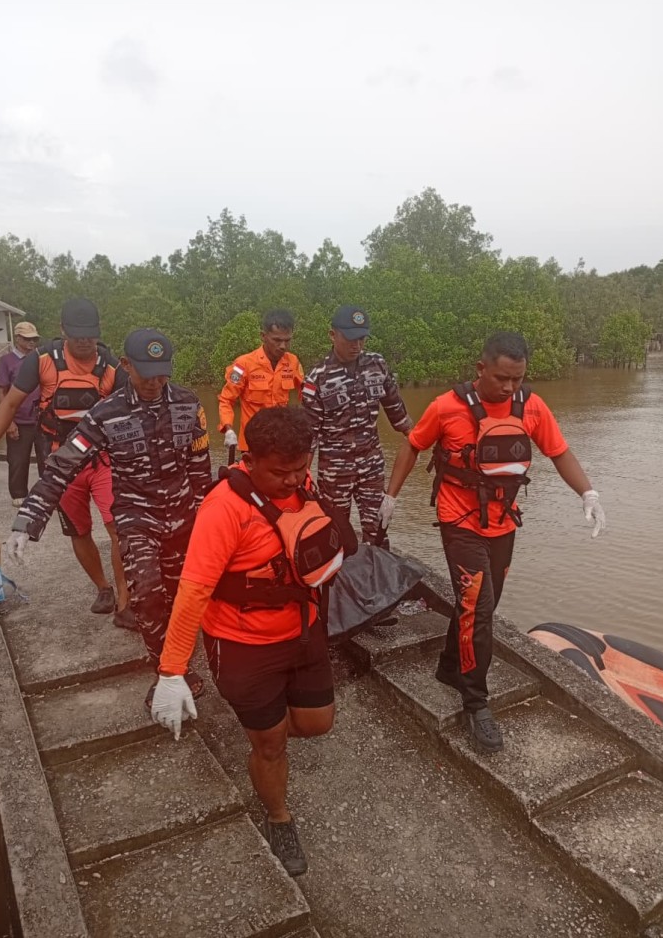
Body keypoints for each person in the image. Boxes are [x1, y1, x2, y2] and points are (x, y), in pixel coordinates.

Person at [150, 407, 354, 878]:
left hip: (303, 631)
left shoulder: (304, 485)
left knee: (318, 722)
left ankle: (268, 737)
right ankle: (279, 816)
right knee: (270, 744)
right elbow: (194, 589)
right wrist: (172, 669)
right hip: (243, 644)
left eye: (302, 467)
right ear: (249, 459)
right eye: (281, 472)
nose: (294, 480)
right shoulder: (223, 508)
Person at [380, 331, 606, 753]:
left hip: (503, 522)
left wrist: (587, 493)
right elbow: (412, 447)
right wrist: (391, 496)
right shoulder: (447, 406)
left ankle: (450, 667)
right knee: (477, 607)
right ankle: (475, 702)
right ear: (481, 368)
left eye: (517, 379)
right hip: (458, 520)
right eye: (502, 378)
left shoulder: (531, 406)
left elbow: (559, 452)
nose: (509, 387)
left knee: (484, 603)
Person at [5, 328, 213, 706]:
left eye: (162, 372)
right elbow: (62, 467)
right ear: (126, 365)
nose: (155, 382)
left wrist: (210, 519)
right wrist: (28, 519)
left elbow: (200, 471)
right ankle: (168, 673)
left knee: (184, 597)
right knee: (147, 594)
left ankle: (180, 661)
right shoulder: (105, 413)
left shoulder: (188, 403)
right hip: (137, 518)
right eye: (146, 372)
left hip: (185, 517)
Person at [0, 297, 132, 626]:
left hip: (102, 458)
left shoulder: (111, 367)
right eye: (76, 334)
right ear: (62, 330)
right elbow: (11, 403)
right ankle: (102, 588)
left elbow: (131, 412)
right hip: (61, 459)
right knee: (79, 529)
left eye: (90, 335)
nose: (83, 341)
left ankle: (124, 602)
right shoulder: (42, 361)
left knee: (119, 529)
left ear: (98, 331)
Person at [302, 304, 413, 545]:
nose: (357, 346)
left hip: (371, 464)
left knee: (378, 528)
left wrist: (419, 438)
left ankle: (378, 578)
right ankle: (337, 580)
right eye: (351, 339)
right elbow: (309, 437)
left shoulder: (377, 364)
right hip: (334, 470)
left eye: (362, 339)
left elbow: (396, 410)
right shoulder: (317, 378)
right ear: (333, 335)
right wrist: (302, 477)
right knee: (335, 532)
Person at [218, 309, 304, 452]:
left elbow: (306, 392)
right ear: (263, 336)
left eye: (287, 340)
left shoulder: (292, 362)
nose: (283, 346)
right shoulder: (243, 364)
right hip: (252, 445)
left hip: (281, 442)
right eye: (277, 340)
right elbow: (226, 399)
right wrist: (228, 428)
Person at [0, 321, 47, 506]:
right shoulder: (7, 361)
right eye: (27, 339)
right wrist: (8, 421)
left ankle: (47, 493)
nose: (31, 342)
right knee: (18, 459)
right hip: (19, 419)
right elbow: (1, 391)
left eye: (34, 339)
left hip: (42, 417)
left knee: (47, 458)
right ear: (18, 338)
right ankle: (18, 494)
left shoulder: (41, 358)